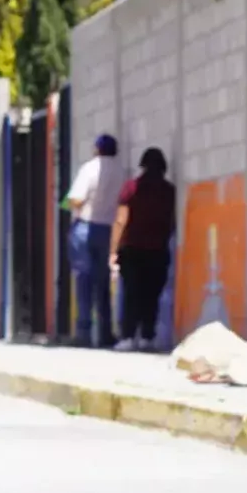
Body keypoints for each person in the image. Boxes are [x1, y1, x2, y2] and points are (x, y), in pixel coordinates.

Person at [109, 146, 176, 352]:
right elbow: (171, 221)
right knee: (151, 295)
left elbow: (121, 220)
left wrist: (113, 250)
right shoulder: (169, 190)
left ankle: (128, 336)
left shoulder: (131, 187)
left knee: (131, 294)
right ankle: (148, 336)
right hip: (158, 250)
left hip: (133, 249)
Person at [63, 133, 123, 348]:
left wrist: (69, 204)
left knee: (83, 281)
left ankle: (84, 332)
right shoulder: (121, 171)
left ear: (97, 148)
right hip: (107, 228)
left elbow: (75, 199)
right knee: (103, 282)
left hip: (85, 226)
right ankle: (106, 332)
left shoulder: (89, 168)